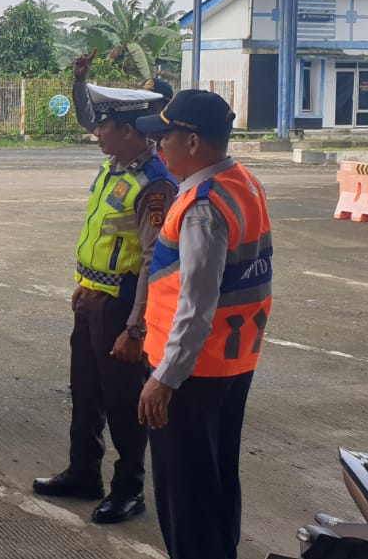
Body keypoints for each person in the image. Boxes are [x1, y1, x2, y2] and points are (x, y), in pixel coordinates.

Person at [33, 55, 177, 525]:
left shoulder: (154, 185)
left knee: (121, 402)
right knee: (86, 392)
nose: (96, 132)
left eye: (105, 126)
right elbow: (104, 239)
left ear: (131, 132)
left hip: (123, 309)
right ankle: (83, 474)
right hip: (94, 298)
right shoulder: (115, 167)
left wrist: (136, 330)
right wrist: (85, 285)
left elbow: (155, 261)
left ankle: (129, 489)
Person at [133, 89, 273, 559]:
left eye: (165, 137)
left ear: (192, 142)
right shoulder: (243, 182)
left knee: (186, 499)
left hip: (194, 374)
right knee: (216, 483)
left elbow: (196, 303)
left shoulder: (202, 205)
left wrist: (164, 378)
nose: (159, 148)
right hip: (233, 364)